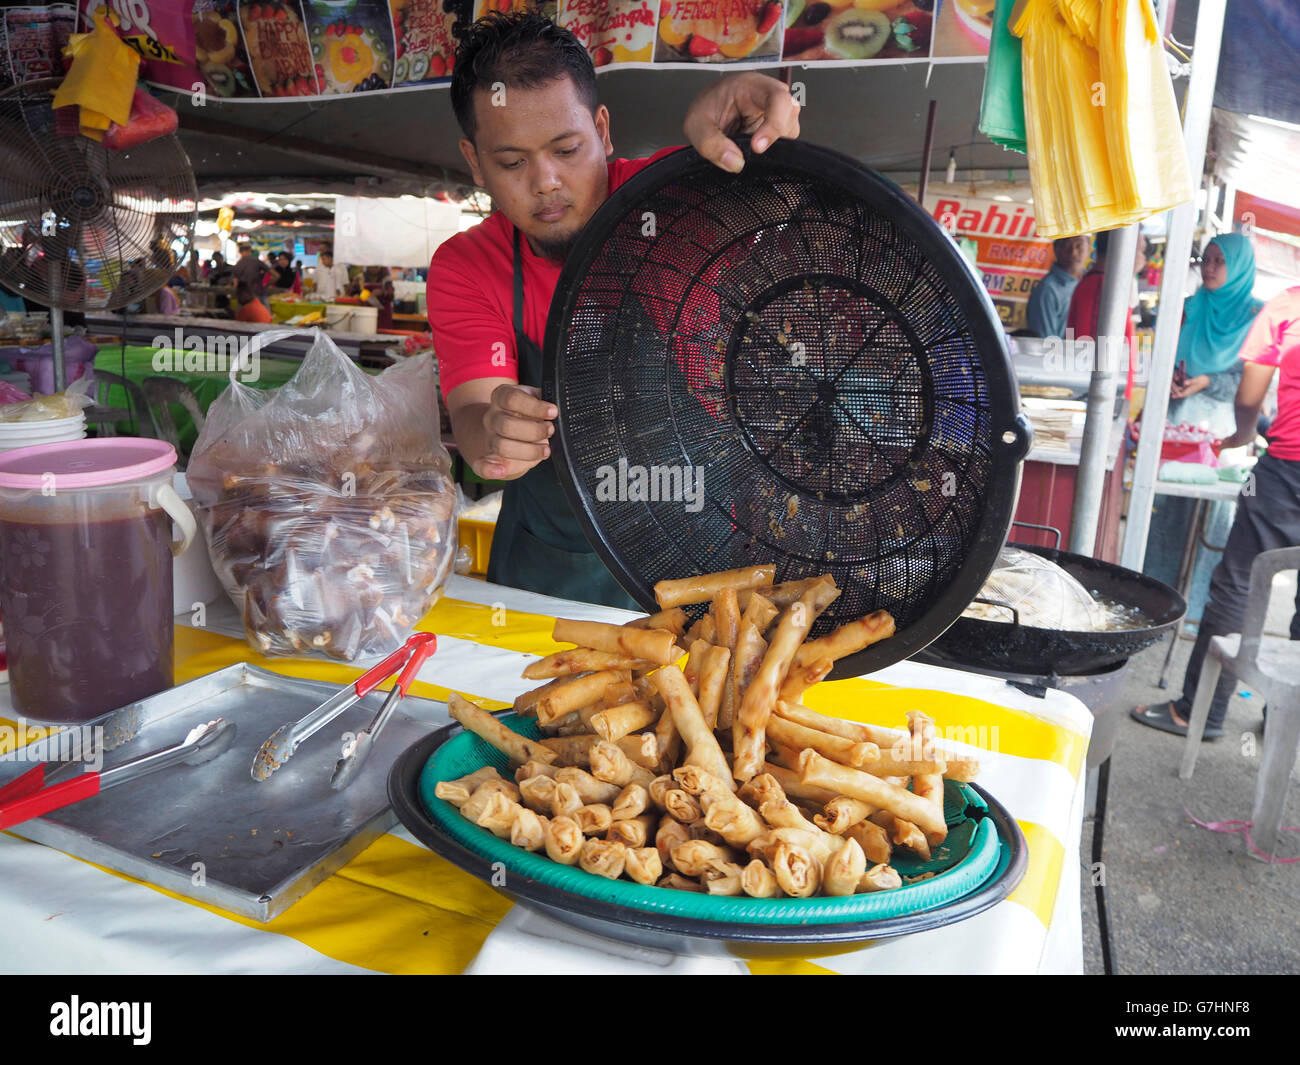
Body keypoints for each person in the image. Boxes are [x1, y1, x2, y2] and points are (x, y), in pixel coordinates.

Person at [426, 10, 800, 607]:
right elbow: (474, 417)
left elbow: (792, 192)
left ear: (602, 129)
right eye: (512, 162)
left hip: (716, 559)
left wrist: (757, 128)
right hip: (552, 582)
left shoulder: (682, 195)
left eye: (566, 148)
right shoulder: (468, 264)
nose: (546, 182)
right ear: (474, 161)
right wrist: (495, 434)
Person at [1132, 284, 1300, 739]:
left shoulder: (1288, 305)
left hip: (1289, 466)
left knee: (1240, 584)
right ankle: (1288, 721)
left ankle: (1200, 713)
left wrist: (1245, 434)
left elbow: (1249, 398)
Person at [1166, 233, 1263, 436]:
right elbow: (1163, 356)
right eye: (1206, 260)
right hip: (1170, 423)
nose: (1209, 268)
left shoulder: (1257, 319)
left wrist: (1208, 381)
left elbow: (1253, 386)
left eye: (1219, 261)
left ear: (1239, 266)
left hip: (1222, 430)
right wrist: (1170, 377)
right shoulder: (1188, 308)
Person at [1065, 228, 1145, 398]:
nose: (1142, 257)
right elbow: (1092, 351)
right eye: (1138, 249)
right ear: (1123, 247)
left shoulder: (1108, 285)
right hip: (1100, 399)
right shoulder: (1100, 286)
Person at [1026, 234, 1089, 338]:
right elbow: (1047, 345)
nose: (1073, 253)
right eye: (1067, 245)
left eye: (1079, 245)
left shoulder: (1090, 283)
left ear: (1088, 248)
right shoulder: (1047, 291)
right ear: (1056, 249)